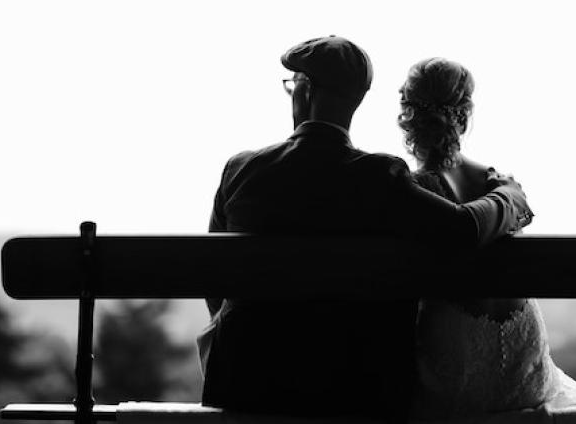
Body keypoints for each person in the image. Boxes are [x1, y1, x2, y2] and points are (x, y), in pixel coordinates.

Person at [198, 36, 532, 420]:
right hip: (354, 391)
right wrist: (510, 197)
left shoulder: (240, 170)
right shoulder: (380, 177)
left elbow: (213, 276)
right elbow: (463, 229)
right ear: (355, 102)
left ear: (305, 90)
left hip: (245, 383)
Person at [398, 57, 576, 418]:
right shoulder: (499, 185)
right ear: (465, 114)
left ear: (407, 115)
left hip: (459, 361)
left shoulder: (414, 192)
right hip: (524, 354)